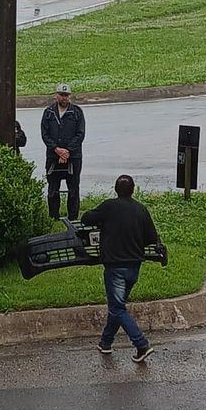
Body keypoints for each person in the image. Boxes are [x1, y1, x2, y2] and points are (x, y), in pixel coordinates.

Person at [80, 175, 160, 364]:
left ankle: (142, 344)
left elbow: (85, 219)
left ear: (115, 190)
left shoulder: (109, 207)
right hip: (134, 267)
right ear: (133, 190)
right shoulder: (141, 209)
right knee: (117, 307)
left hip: (115, 267)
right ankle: (105, 342)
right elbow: (151, 237)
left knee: (117, 308)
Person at [41, 83, 86, 220]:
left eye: (66, 95)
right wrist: (57, 149)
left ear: (70, 96)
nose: (64, 98)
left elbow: (80, 134)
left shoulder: (77, 112)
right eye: (61, 95)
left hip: (73, 157)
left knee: (73, 189)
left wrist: (67, 151)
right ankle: (53, 217)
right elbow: (45, 134)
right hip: (53, 156)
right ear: (56, 96)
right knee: (53, 189)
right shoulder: (48, 112)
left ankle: (73, 217)